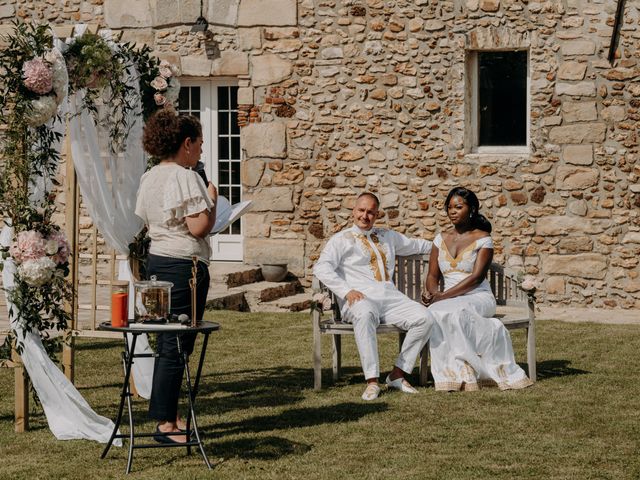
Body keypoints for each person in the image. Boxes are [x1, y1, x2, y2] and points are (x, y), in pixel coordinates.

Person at [135, 109, 217, 443]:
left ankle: (168, 415)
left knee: (168, 343)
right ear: (186, 143)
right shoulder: (186, 176)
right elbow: (197, 228)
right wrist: (212, 203)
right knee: (177, 346)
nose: (200, 150)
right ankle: (165, 425)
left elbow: (148, 220)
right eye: (199, 144)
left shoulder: (150, 175)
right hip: (185, 268)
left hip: (158, 263)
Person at [313, 192, 434, 401]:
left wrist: (450, 246)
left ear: (377, 214)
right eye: (361, 210)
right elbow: (322, 268)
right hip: (359, 300)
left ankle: (397, 374)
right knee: (366, 313)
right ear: (353, 211)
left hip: (390, 298)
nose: (365, 216)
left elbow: (419, 245)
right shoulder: (341, 240)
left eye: (370, 212)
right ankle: (372, 381)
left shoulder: (388, 236)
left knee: (425, 318)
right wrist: (346, 291)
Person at [421, 186, 533, 391]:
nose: (452, 211)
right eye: (449, 207)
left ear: (471, 209)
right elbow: (432, 275)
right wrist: (431, 292)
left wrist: (443, 296)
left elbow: (476, 277)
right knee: (434, 312)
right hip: (448, 299)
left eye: (458, 207)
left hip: (478, 297)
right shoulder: (440, 239)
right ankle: (453, 372)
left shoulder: (483, 238)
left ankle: (469, 368)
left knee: (454, 311)